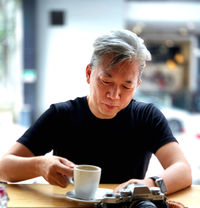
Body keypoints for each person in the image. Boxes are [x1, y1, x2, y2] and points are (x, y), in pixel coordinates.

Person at [0, 29, 192, 194]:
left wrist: (149, 185)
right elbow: (4, 167)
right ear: (89, 74)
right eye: (106, 81)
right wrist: (40, 165)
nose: (114, 94)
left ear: (137, 85)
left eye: (126, 86)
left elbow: (183, 170)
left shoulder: (146, 117)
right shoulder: (61, 115)